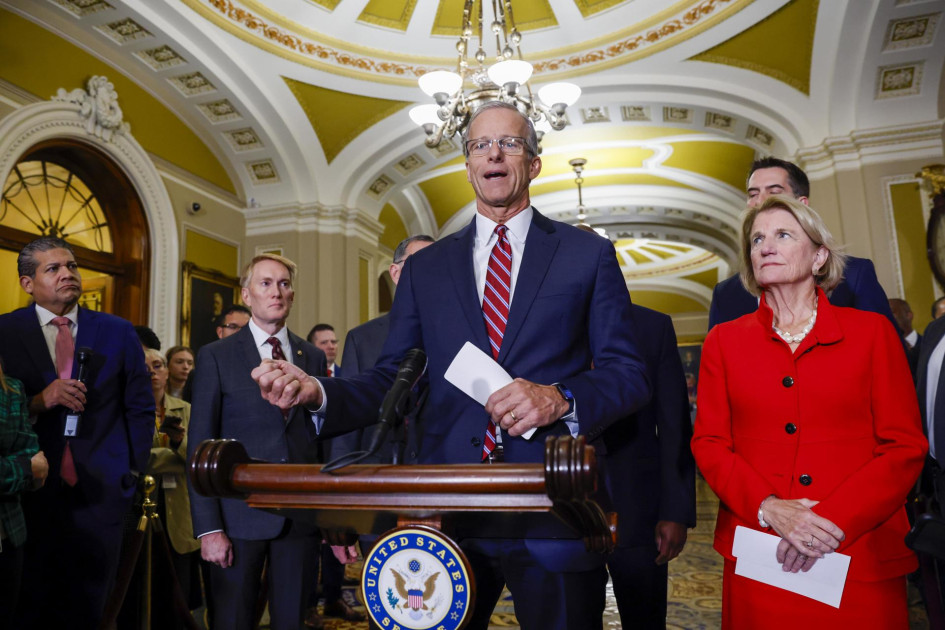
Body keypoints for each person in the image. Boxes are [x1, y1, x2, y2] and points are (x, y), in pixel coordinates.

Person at [253, 101, 651, 630]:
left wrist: (559, 398)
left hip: (553, 507)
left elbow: (628, 374)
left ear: (533, 163)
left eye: (508, 143)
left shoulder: (586, 255)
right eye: (479, 145)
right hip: (446, 512)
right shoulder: (426, 269)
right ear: (467, 165)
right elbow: (388, 379)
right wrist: (319, 394)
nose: (493, 154)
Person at [691, 195, 927, 627]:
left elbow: (904, 446)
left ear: (819, 256)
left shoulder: (872, 334)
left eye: (783, 235)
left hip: (857, 552)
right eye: (757, 238)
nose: (765, 245)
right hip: (762, 550)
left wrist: (828, 522)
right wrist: (770, 508)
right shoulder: (724, 342)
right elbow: (709, 443)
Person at [0, 236, 154, 629]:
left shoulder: (118, 331)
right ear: (27, 283)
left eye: (71, 266)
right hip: (29, 492)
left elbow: (140, 407)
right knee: (29, 604)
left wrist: (131, 472)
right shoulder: (6, 331)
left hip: (102, 490)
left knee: (91, 607)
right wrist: (39, 401)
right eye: (53, 268)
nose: (67, 274)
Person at [187, 253, 327, 630]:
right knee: (233, 621)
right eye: (265, 283)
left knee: (292, 622)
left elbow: (320, 437)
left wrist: (332, 517)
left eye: (283, 284)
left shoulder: (310, 356)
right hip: (236, 517)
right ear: (247, 295)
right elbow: (199, 447)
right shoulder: (215, 356)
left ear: (292, 295)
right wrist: (209, 528)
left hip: (299, 518)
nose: (275, 292)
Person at [708, 157, 896, 332]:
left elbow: (887, 352)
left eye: (774, 192)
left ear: (803, 204)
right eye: (753, 194)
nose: (760, 201)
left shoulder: (854, 276)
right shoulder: (725, 294)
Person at [601, 304, 696, 629]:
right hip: (559, 509)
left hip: (640, 511)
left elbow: (674, 426)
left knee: (645, 621)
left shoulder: (651, 325)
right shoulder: (538, 316)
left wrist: (676, 512)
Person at [329, 234, 435, 465]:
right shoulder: (362, 338)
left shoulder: (458, 333)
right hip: (378, 469)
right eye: (420, 263)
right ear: (396, 273)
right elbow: (348, 416)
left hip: (440, 470)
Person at [144, 347, 202, 628]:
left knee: (180, 594)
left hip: (180, 510)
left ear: (166, 372)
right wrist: (175, 455)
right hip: (141, 510)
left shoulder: (187, 410)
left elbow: (197, 460)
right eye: (146, 367)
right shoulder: (130, 409)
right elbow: (135, 459)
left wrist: (179, 446)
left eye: (157, 366)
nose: (152, 372)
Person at [0, 363, 47, 624]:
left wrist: (25, 468)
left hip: (8, 532)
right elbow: (29, 466)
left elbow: (35, 460)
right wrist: (22, 468)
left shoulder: (11, 388)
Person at [889, 298, 920, 377]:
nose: (887, 317)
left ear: (909, 315)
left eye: (891, 312)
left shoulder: (928, 343)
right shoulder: (885, 349)